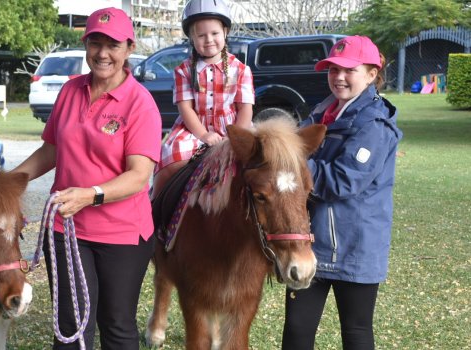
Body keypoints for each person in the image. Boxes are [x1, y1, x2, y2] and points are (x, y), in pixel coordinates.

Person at [12, 7, 161, 349]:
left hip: (122, 234)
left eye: (113, 44)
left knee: (117, 325)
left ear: (128, 48)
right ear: (86, 45)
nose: (103, 53)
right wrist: (7, 184)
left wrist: (89, 194)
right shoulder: (70, 90)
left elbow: (139, 176)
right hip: (66, 228)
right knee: (72, 327)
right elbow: (51, 151)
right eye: (95, 42)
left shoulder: (140, 104)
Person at [281, 35, 402, 349]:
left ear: (372, 74)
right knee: (296, 330)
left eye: (349, 70)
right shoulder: (323, 112)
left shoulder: (375, 125)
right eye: (333, 69)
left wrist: (290, 161)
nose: (339, 77)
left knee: (356, 331)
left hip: (356, 248)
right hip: (309, 245)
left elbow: (341, 181)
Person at [151, 0, 254, 198]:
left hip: (234, 128)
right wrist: (204, 135)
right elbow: (186, 109)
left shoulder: (240, 70)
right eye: (201, 35)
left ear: (225, 32)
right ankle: (155, 204)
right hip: (194, 127)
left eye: (214, 33)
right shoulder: (184, 70)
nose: (209, 40)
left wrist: (236, 138)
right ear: (191, 37)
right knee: (171, 157)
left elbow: (245, 109)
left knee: (260, 161)